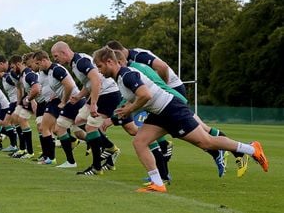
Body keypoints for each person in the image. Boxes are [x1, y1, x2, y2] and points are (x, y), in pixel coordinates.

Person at [92, 46, 268, 193]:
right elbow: (135, 98)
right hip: (159, 113)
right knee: (139, 142)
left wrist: (129, 109)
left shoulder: (127, 75)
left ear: (110, 62)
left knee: (206, 142)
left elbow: (144, 95)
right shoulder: (121, 78)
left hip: (171, 109)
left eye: (99, 66)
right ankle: (158, 183)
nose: (99, 71)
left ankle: (252, 149)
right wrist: (116, 116)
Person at [107, 40, 248, 178]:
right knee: (149, 134)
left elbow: (162, 68)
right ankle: (161, 175)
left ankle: (236, 151)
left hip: (172, 94)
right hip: (162, 98)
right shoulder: (127, 69)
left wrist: (163, 89)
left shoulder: (137, 58)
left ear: (117, 57)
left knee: (201, 133)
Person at [51, 41, 121, 175]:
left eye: (56, 56)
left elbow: (96, 80)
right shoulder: (76, 62)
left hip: (108, 94)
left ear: (64, 52)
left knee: (90, 127)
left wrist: (93, 103)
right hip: (100, 93)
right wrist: (79, 96)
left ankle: (97, 166)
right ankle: (109, 148)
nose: (56, 60)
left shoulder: (81, 61)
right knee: (78, 121)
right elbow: (88, 83)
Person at [33, 50, 84, 166]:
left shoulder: (56, 69)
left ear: (44, 60)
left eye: (38, 63)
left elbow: (70, 85)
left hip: (74, 101)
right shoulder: (50, 71)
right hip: (70, 102)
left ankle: (107, 147)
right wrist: (56, 95)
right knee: (58, 129)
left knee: (88, 129)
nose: (38, 67)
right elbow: (60, 86)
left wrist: (63, 101)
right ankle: (69, 161)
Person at [0, 55, 21, 153]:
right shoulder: (7, 76)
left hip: (16, 101)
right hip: (13, 102)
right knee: (10, 123)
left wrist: (22, 101)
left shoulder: (9, 76)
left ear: (1, 64)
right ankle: (17, 146)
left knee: (14, 123)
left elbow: (20, 86)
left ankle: (18, 146)